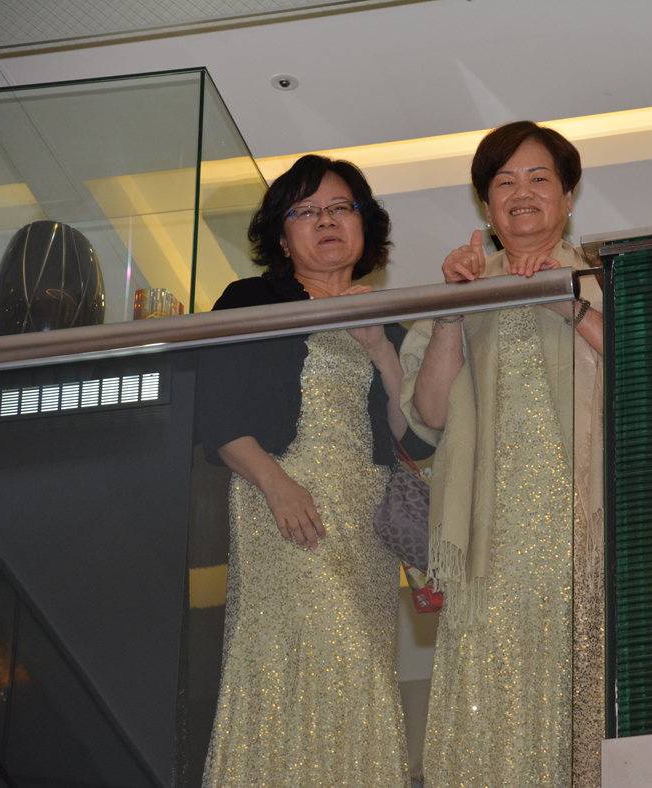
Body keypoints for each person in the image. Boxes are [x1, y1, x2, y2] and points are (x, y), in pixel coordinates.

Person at [196, 154, 432, 787]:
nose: (326, 221)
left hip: (367, 526)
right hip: (284, 503)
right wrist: (277, 484)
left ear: (363, 224)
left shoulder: (391, 321)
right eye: (306, 211)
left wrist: (380, 348)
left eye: (339, 208)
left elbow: (414, 433)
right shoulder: (251, 301)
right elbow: (215, 412)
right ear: (281, 237)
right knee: (304, 662)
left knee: (364, 673)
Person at [398, 121, 604, 788]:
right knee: (494, 714)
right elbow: (428, 416)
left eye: (539, 178)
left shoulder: (603, 277)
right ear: (486, 208)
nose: (522, 192)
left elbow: (649, 371)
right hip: (487, 540)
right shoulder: (462, 288)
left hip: (587, 533)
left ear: (567, 197)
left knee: (588, 705)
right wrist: (453, 309)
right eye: (504, 182)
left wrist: (567, 302)